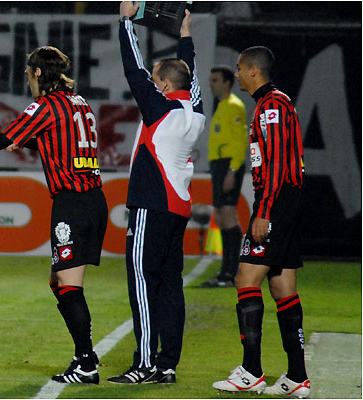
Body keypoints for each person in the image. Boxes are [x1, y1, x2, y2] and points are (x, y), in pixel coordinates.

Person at [0, 46, 108, 385]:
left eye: (28, 74)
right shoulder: (79, 103)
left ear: (38, 73)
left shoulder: (45, 105)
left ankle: (86, 362)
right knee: (59, 282)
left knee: (69, 285)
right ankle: (84, 355)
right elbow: (58, 141)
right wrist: (23, 141)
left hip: (72, 201)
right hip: (94, 199)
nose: (28, 81)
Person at [108, 2, 205, 384]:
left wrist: (125, 21)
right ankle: (167, 363)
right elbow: (189, 73)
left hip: (151, 204)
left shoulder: (159, 108)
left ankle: (145, 363)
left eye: (156, 79)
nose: (151, 81)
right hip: (178, 207)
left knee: (141, 281)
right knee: (169, 286)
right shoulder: (194, 109)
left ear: (163, 85)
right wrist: (185, 37)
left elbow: (133, 69)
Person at [212, 46, 310, 398]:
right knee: (283, 287)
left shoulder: (272, 106)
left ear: (254, 71)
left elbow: (279, 166)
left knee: (245, 278)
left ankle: (252, 371)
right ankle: (297, 376)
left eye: (240, 69)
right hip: (288, 200)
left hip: (277, 201)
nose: (236, 74)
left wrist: (264, 210)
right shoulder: (273, 104)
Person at [201, 66, 248, 288]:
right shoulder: (221, 106)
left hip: (229, 165)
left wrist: (232, 170)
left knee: (229, 216)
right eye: (210, 80)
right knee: (221, 217)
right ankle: (225, 273)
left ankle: (231, 273)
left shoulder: (234, 107)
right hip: (219, 165)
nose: (211, 84)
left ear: (227, 82)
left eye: (215, 80)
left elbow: (240, 141)